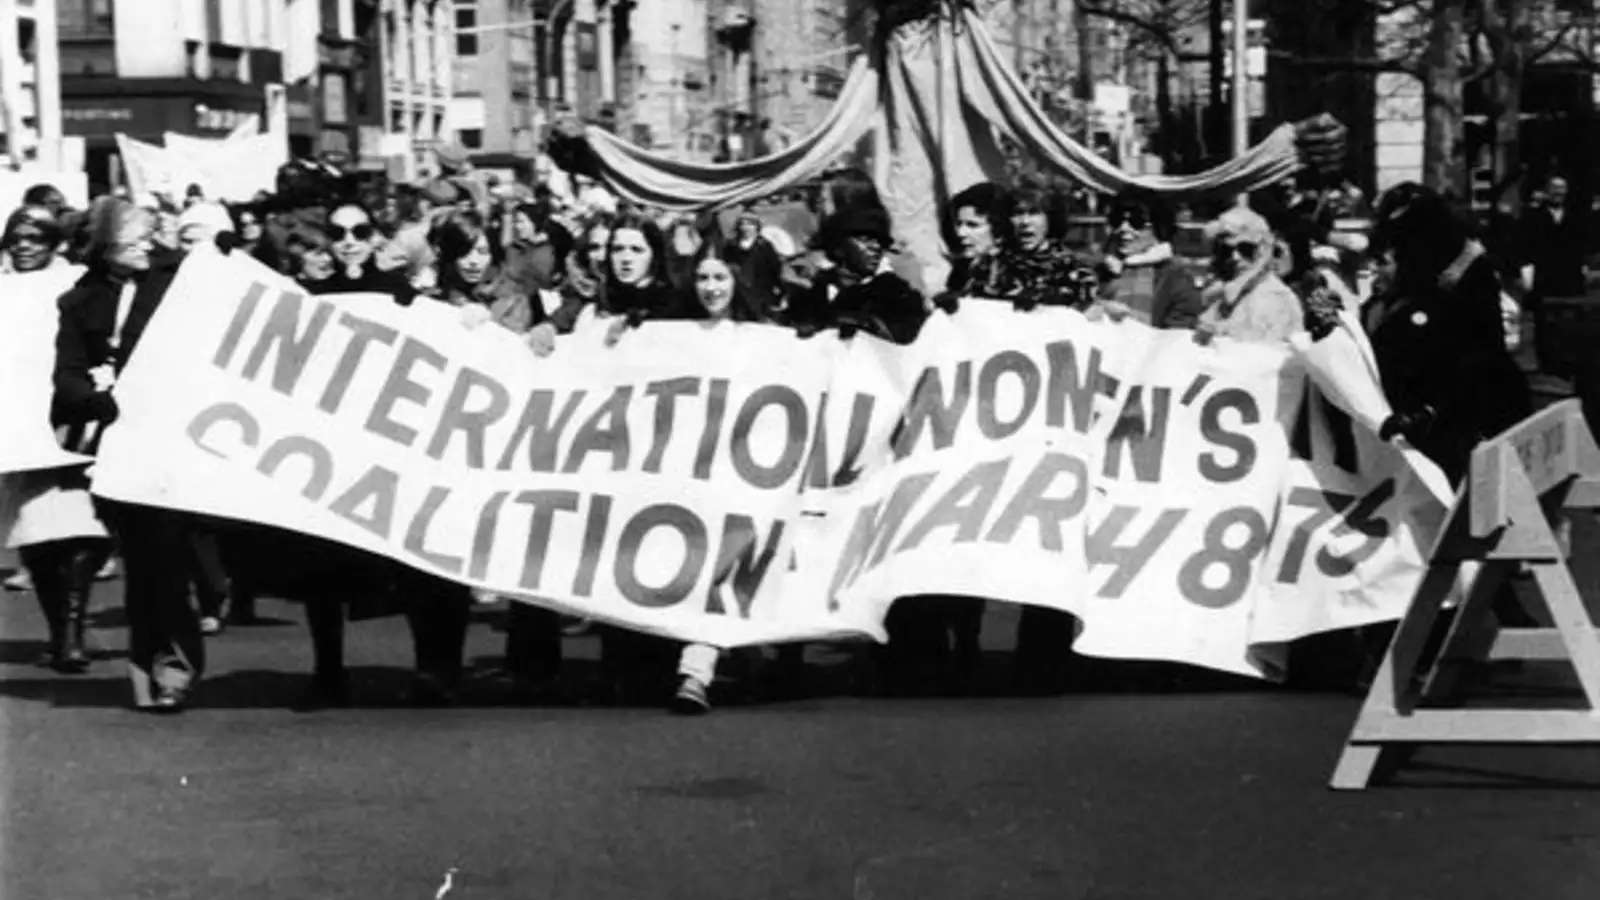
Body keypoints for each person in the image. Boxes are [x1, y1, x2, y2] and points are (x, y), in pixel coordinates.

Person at [52, 196, 196, 710]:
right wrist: (98, 399)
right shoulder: (78, 301)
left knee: (171, 560)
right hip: (116, 442)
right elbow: (65, 377)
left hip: (177, 439)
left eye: (149, 236)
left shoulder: (180, 284)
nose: (146, 246)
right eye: (133, 240)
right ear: (106, 248)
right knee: (144, 564)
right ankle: (149, 667)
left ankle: (175, 667)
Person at [0, 205, 111, 674]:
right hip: (17, 421)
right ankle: (61, 634)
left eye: (37, 237)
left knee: (83, 525)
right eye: (17, 238)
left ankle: (71, 632)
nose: (25, 246)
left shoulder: (81, 282)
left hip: (74, 417)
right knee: (36, 530)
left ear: (56, 242)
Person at [663, 244, 768, 714]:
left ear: (736, 281)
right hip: (687, 470)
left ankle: (696, 670)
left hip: (740, 472)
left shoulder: (764, 337)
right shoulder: (673, 334)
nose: (711, 288)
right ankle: (703, 663)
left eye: (720, 278)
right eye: (703, 278)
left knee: (722, 567)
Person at [1194, 204, 1304, 345]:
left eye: (1245, 249)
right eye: (1227, 250)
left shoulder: (1272, 297)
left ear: (1262, 251)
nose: (1235, 257)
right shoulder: (1233, 292)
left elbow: (1255, 354)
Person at [1097, 194, 1205, 329]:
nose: (1124, 228)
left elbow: (1178, 335)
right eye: (1117, 220)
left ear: (1159, 228)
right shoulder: (1099, 270)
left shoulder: (1176, 277)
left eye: (1136, 221)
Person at [1519, 174, 1589, 375]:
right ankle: (1546, 362)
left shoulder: (1574, 216)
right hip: (1543, 276)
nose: (1559, 193)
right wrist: (1526, 270)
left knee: (1568, 317)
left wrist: (1582, 266)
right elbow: (1525, 245)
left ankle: (1565, 361)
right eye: (1555, 188)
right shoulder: (1532, 216)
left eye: (1562, 188)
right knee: (1543, 320)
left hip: (1568, 276)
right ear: (1547, 191)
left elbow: (1580, 244)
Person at [722, 209, 786, 317]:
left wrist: (780, 289)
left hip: (761, 291)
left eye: (750, 224)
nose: (746, 227)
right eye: (743, 224)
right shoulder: (731, 245)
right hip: (738, 291)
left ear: (757, 226)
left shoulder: (765, 246)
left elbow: (775, 268)